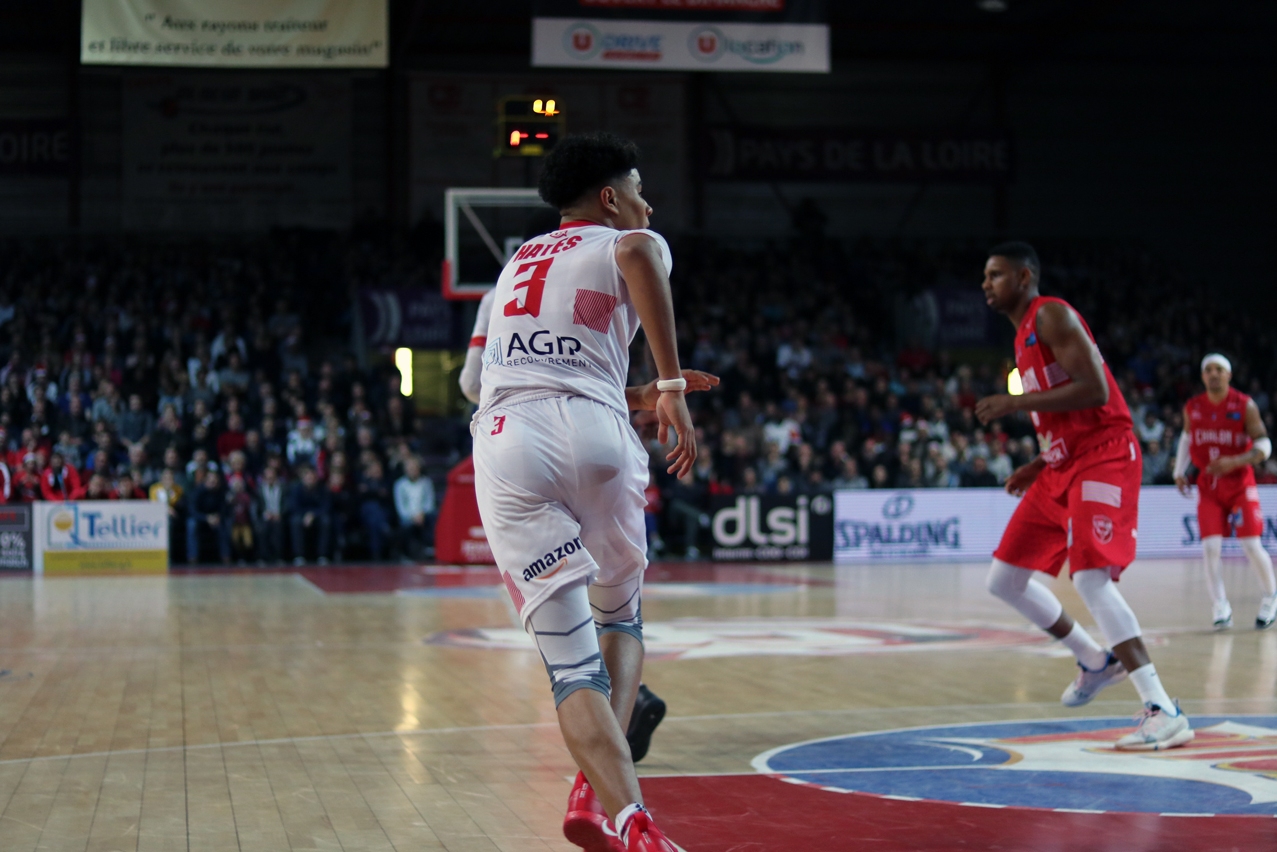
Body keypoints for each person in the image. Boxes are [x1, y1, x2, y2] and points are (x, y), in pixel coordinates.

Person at [471, 133, 727, 852]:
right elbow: (641, 252)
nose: (648, 204)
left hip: (507, 437)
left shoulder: (517, 261)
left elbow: (544, 364)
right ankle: (593, 787)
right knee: (620, 620)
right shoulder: (627, 236)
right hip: (597, 436)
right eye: (639, 190)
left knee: (568, 668)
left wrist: (639, 389)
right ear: (610, 199)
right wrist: (670, 386)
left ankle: (627, 818)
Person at [976, 242, 1192, 751]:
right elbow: (1060, 411)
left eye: (996, 275)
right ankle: (1096, 660)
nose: (986, 284)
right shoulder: (1022, 337)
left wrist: (1015, 402)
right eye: (984, 276)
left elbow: (1095, 391)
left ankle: (1163, 708)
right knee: (1003, 580)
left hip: (1104, 454)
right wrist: (1038, 461)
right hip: (1061, 463)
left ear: (1024, 277)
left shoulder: (1050, 314)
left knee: (1091, 578)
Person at [1174, 353, 1276, 629]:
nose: (1213, 373)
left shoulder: (1245, 405)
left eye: (1219, 369)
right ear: (1202, 376)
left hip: (1240, 483)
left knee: (1252, 546)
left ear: (1229, 375)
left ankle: (1270, 596)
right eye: (1208, 369)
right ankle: (1220, 606)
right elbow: (1185, 438)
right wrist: (1179, 471)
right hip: (1209, 487)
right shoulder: (1193, 407)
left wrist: (1236, 460)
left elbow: (1264, 444)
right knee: (1210, 548)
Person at [394, 457, 436, 561]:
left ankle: (430, 549)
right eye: (410, 468)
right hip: (408, 517)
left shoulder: (426, 482)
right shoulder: (400, 485)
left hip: (423, 515)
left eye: (415, 468)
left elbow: (429, 503)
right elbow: (401, 507)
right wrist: (413, 517)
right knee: (405, 527)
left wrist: (421, 514)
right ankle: (406, 554)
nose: (412, 471)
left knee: (432, 519)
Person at [289, 465, 331, 565]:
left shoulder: (322, 489)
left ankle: (322, 555)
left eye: (312, 477)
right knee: (295, 522)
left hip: (317, 515)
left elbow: (326, 507)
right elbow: (294, 507)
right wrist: (306, 515)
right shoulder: (297, 489)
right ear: (303, 478)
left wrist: (312, 514)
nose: (310, 479)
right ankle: (299, 556)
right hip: (301, 514)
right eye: (308, 477)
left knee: (326, 521)